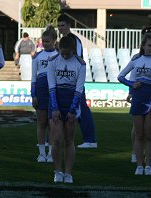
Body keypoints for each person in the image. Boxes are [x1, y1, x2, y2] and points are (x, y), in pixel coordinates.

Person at [118, 33, 151, 176]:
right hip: (138, 99)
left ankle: (148, 165)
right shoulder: (136, 59)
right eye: (150, 45)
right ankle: (139, 165)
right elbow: (120, 76)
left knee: (149, 135)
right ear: (143, 46)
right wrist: (132, 84)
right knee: (139, 134)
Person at [47, 35, 86, 183]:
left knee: (69, 140)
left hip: (72, 102)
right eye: (62, 53)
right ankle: (57, 171)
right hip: (56, 101)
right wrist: (55, 108)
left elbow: (79, 88)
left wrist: (72, 110)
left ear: (73, 50)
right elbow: (51, 86)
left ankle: (68, 173)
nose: (64, 56)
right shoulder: (53, 61)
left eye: (67, 53)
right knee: (56, 139)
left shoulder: (80, 64)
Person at [57, 14, 97, 148]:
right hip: (67, 78)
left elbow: (78, 58)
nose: (60, 28)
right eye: (58, 26)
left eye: (62, 25)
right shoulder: (66, 39)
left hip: (74, 79)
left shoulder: (74, 40)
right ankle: (87, 139)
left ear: (69, 25)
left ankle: (90, 140)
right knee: (78, 108)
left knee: (82, 108)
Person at [128, 27, 151, 164]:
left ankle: (149, 156)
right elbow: (133, 75)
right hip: (140, 94)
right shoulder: (137, 57)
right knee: (136, 129)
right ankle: (135, 153)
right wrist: (131, 91)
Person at [31, 25, 58, 163]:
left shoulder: (59, 56)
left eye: (48, 41)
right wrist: (33, 94)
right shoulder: (37, 57)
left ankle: (51, 153)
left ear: (54, 40)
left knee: (52, 124)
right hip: (41, 91)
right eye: (44, 41)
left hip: (54, 91)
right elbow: (33, 77)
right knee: (41, 123)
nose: (45, 43)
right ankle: (41, 153)